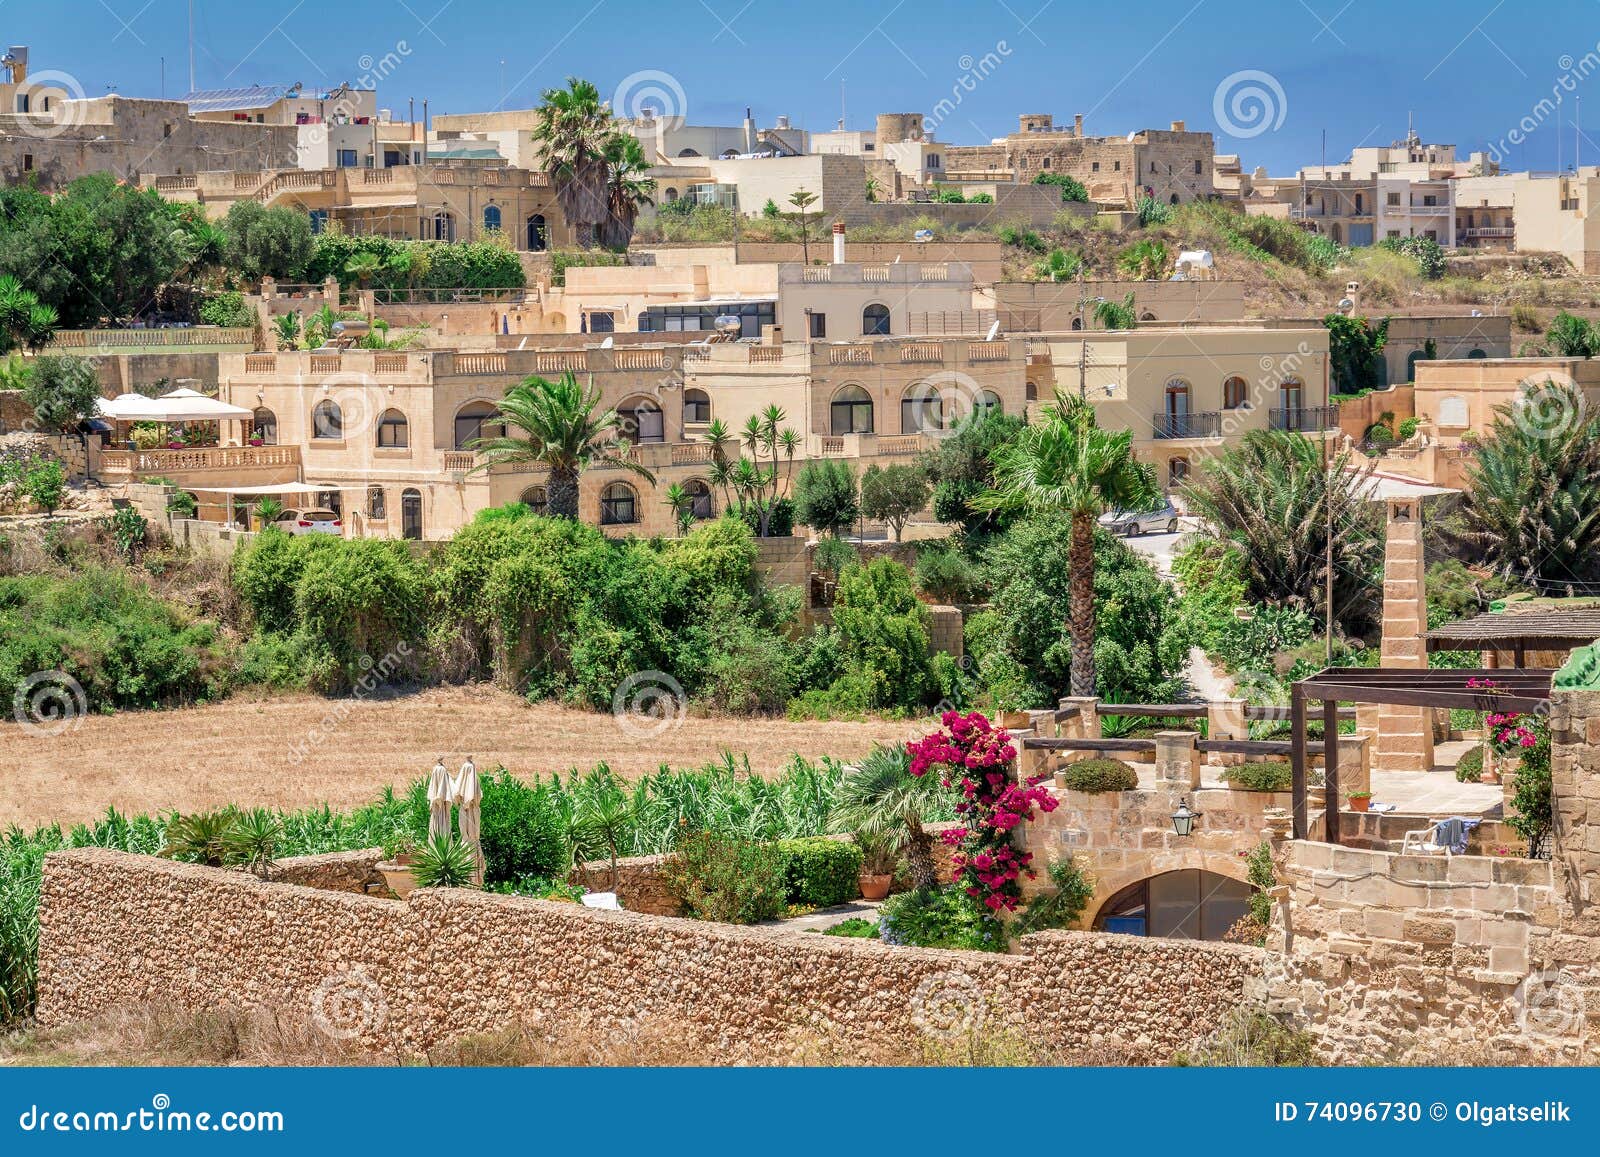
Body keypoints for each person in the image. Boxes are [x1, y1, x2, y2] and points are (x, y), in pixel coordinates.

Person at [427, 756, 452, 842]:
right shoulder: (443, 770)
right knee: (443, 828)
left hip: (436, 808)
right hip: (442, 808)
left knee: (435, 827)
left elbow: (432, 790)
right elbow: (445, 792)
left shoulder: (435, 770)